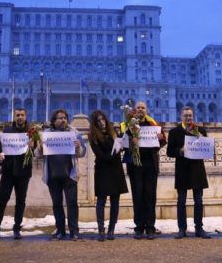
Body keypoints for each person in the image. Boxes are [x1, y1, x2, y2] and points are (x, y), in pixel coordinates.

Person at [35, 109, 87, 240]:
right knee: (57, 204)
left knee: (72, 203)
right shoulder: (46, 134)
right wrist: (40, 147)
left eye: (65, 118)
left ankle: (74, 231)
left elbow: (82, 153)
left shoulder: (74, 133)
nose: (63, 120)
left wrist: (78, 146)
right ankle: (60, 230)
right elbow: (37, 154)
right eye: (60, 118)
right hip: (52, 175)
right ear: (54, 120)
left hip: (70, 174)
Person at [122, 101, 166, 240]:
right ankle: (139, 227)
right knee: (137, 197)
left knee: (150, 196)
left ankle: (150, 227)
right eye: (138, 107)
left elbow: (162, 142)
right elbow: (123, 143)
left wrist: (161, 139)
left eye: (143, 107)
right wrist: (131, 142)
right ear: (135, 110)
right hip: (135, 166)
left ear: (146, 110)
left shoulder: (153, 124)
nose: (140, 109)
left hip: (150, 165)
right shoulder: (129, 124)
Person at [167, 106, 211, 239]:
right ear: (181, 116)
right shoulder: (174, 132)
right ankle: (182, 228)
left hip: (197, 170)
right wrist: (179, 151)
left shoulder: (200, 130)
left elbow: (206, 149)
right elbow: (169, 152)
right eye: (186, 116)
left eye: (190, 116)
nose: (188, 118)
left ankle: (199, 228)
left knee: (198, 201)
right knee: (181, 201)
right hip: (182, 170)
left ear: (193, 117)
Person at [0, 108, 33, 240]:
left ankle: (17, 228)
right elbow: (1, 149)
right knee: (2, 200)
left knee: (21, 201)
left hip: (23, 171)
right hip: (8, 171)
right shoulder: (7, 131)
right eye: (17, 115)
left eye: (22, 115)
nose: (20, 117)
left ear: (26, 117)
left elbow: (37, 151)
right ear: (14, 117)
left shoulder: (31, 132)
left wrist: (33, 145)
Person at [88, 110, 128, 241]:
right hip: (102, 169)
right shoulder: (93, 136)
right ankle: (101, 229)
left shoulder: (113, 132)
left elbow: (121, 145)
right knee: (101, 201)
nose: (102, 122)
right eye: (98, 121)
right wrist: (115, 152)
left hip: (115, 169)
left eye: (103, 119)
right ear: (95, 123)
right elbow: (100, 155)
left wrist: (121, 146)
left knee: (115, 201)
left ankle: (111, 229)